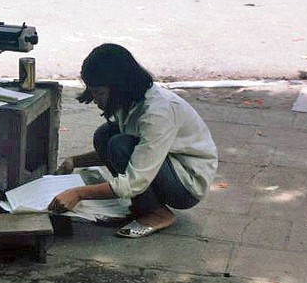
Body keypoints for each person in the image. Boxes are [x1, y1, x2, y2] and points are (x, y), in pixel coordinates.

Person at [49, 43, 218, 238]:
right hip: (165, 164)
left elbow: (135, 180)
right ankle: (142, 206)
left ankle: (157, 213)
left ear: (119, 87)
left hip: (187, 185)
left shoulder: (158, 113)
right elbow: (135, 155)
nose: (95, 100)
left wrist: (78, 193)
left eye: (100, 93)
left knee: (118, 144)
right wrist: (75, 161)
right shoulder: (129, 101)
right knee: (105, 135)